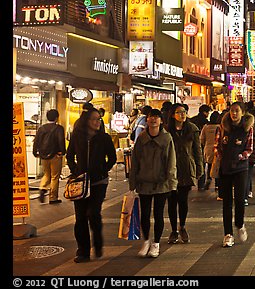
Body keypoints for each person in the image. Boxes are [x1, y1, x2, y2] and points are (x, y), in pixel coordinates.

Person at [66, 107, 117, 262]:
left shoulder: (104, 138)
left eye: (98, 119)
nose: (97, 122)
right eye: (94, 119)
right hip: (80, 182)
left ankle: (98, 243)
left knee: (93, 213)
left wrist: (103, 170)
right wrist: (76, 171)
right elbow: (69, 156)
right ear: (86, 121)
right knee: (80, 218)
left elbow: (112, 158)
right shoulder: (77, 136)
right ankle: (83, 251)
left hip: (98, 182)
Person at [129, 108, 177, 258]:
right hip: (144, 182)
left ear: (161, 121)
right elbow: (135, 162)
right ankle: (146, 241)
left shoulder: (167, 138)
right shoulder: (141, 138)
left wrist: (172, 182)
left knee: (158, 214)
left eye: (156, 117)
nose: (153, 120)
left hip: (161, 183)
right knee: (144, 214)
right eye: (151, 117)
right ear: (147, 119)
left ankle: (156, 243)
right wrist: (132, 183)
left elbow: (171, 162)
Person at [211, 102, 254, 247]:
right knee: (226, 202)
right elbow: (217, 146)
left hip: (241, 168)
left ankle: (240, 224)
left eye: (237, 111)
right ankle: (228, 234)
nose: (234, 114)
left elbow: (249, 148)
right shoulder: (222, 128)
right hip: (225, 168)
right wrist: (221, 156)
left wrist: (241, 156)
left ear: (242, 113)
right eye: (231, 111)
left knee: (240, 199)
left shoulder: (247, 128)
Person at [165, 103, 204, 244]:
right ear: (173, 114)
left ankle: (182, 226)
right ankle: (174, 230)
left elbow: (197, 151)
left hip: (186, 168)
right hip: (171, 170)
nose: (182, 114)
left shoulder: (192, 129)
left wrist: (200, 168)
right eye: (179, 112)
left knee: (182, 200)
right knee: (171, 200)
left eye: (184, 111)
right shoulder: (166, 130)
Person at [33, 109, 66, 204]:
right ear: (56, 118)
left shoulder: (42, 128)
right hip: (55, 155)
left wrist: (35, 152)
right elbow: (61, 141)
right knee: (55, 176)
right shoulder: (59, 128)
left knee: (47, 174)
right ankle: (53, 198)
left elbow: (36, 141)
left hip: (43, 155)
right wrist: (62, 152)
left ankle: (42, 187)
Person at [200, 111, 222, 197]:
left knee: (209, 165)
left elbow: (201, 139)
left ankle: (208, 178)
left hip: (208, 149)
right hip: (217, 149)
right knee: (217, 166)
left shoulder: (206, 127)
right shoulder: (220, 127)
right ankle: (217, 184)